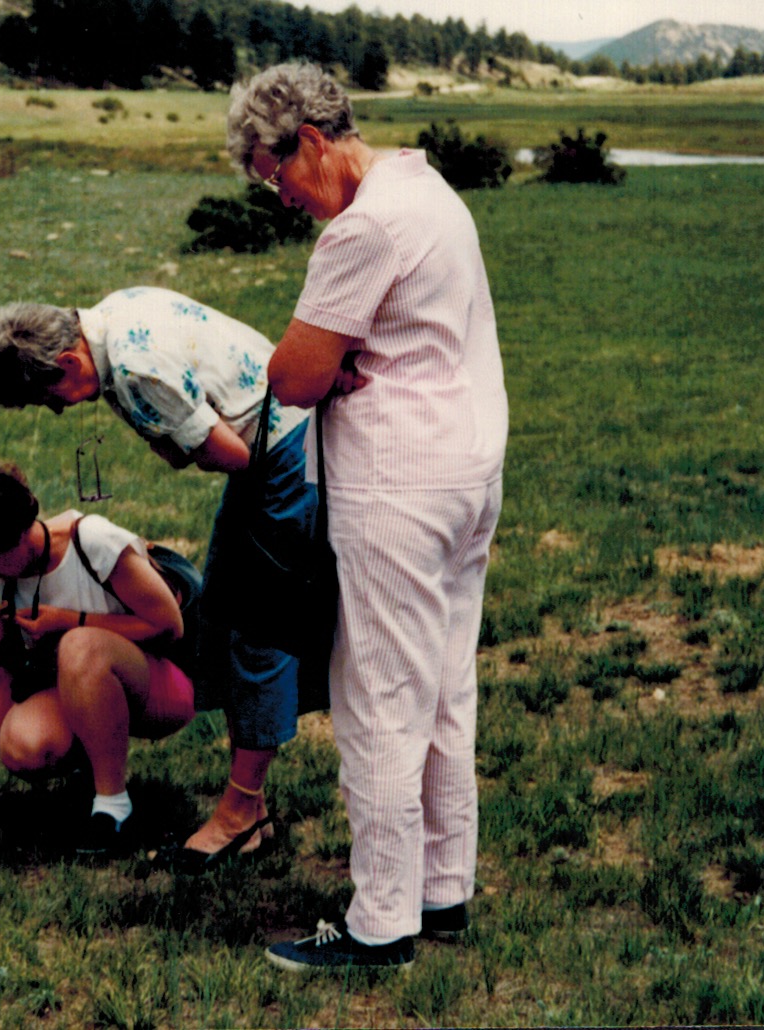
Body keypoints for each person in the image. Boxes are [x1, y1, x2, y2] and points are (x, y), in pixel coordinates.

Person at [226, 63, 508, 969]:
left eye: (275, 177)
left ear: (308, 142)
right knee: (441, 686)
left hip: (398, 484)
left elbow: (295, 375)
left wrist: (312, 363)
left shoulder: (362, 227)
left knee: (380, 696)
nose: (282, 199)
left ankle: (380, 921)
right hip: (467, 470)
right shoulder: (427, 190)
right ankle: (442, 887)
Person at [0, 288, 339, 871]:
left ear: (67, 363)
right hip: (281, 433)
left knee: (258, 629)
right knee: (220, 610)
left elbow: (230, 455)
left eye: (50, 398)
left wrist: (171, 446)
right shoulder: (116, 309)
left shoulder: (134, 369)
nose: (60, 410)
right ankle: (251, 798)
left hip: (283, 453)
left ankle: (242, 812)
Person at [0, 460, 195, 855]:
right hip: (87, 686)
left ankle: (114, 810)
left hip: (164, 686)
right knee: (24, 746)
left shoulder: (93, 541)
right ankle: (100, 756)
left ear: (17, 536)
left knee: (79, 645)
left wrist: (68, 621)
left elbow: (170, 625)